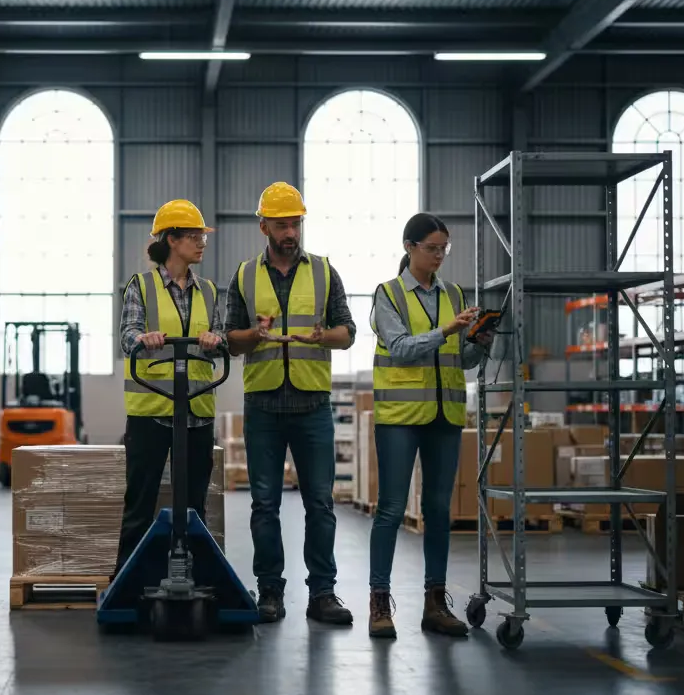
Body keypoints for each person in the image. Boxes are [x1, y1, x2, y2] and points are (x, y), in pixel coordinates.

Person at [224, 181, 357, 626]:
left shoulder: (324, 272)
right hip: (263, 405)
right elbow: (230, 340)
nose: (291, 233)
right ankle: (270, 592)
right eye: (282, 225)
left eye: (296, 223)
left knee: (320, 503)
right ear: (264, 226)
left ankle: (323, 593)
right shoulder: (244, 275)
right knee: (265, 505)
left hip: (312, 404)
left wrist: (323, 336)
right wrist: (254, 334)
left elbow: (347, 333)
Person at [366, 212, 494, 639]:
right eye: (432, 248)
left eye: (444, 249)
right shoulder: (388, 294)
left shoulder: (454, 294)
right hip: (400, 419)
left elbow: (463, 360)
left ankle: (435, 602)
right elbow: (401, 347)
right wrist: (446, 330)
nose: (439, 256)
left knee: (439, 510)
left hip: (445, 415)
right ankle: (379, 602)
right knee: (390, 509)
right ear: (409, 247)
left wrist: (480, 341)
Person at [112, 199, 227, 580]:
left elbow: (222, 338)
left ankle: (196, 578)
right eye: (194, 236)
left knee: (195, 505)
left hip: (196, 410)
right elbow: (127, 336)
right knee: (140, 503)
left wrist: (215, 340)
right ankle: (128, 582)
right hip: (151, 411)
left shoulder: (208, 291)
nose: (202, 243)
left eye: (202, 236)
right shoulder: (141, 286)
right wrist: (143, 338)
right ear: (172, 240)